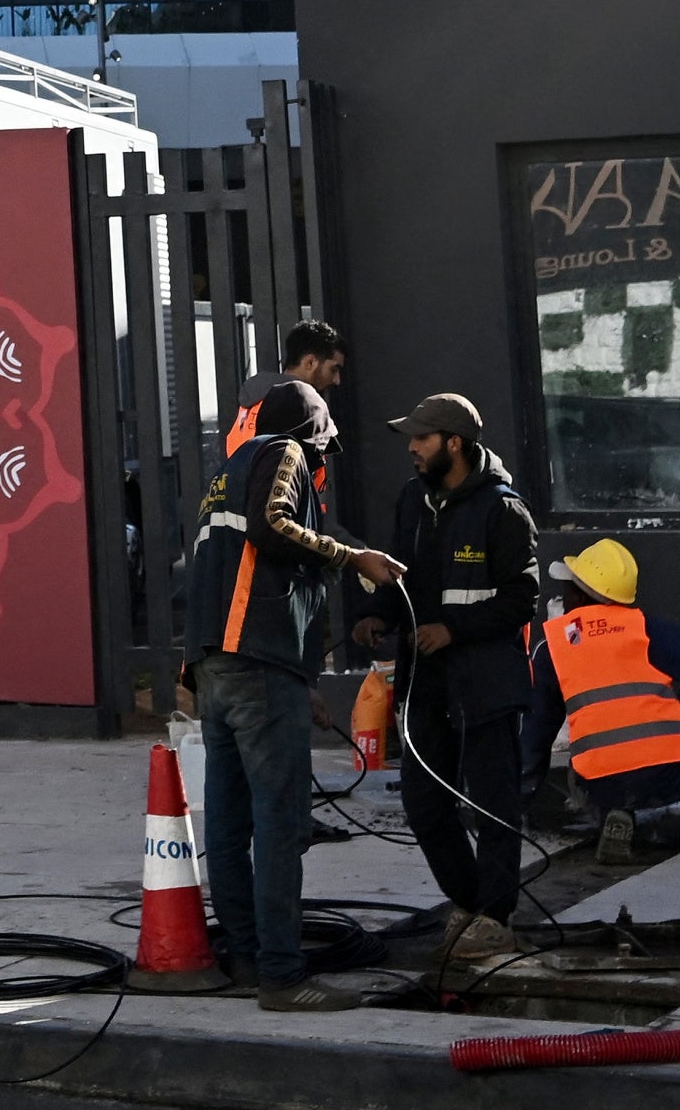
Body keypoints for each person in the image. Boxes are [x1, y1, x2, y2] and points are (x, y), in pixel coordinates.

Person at [178, 377, 401, 1011]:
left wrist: (300, 683)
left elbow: (239, 571)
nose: (321, 465)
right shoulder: (287, 453)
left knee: (227, 824)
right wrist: (352, 557)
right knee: (281, 824)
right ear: (312, 435)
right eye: (323, 450)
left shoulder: (229, 469)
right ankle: (282, 975)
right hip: (255, 663)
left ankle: (246, 957)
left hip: (218, 669)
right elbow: (273, 528)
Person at [359, 392, 539, 971]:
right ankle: (470, 904)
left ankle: (496, 918)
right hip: (426, 683)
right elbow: (403, 580)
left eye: (422, 438)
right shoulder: (413, 499)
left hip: (485, 681)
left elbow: (522, 599)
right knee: (423, 803)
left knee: (493, 804)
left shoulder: (503, 510)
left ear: (454, 443)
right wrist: (380, 615)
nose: (411, 448)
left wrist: (452, 630)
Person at [539, 537, 680, 862]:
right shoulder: (645, 630)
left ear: (579, 595)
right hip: (671, 778)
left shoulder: (556, 644)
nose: (563, 598)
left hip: (597, 788)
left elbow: (537, 730)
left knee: (598, 761)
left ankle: (614, 815)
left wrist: (518, 797)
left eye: (567, 588)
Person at [221, 321, 348, 458]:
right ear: (310, 362)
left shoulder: (255, 401)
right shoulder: (305, 399)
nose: (336, 380)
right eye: (333, 369)